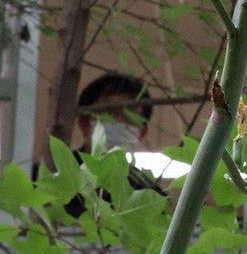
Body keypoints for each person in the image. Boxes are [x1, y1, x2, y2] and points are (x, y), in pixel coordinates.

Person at [35, 72, 165, 218]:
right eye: (109, 111)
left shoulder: (150, 195)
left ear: (142, 131)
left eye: (131, 114)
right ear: (84, 123)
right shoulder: (46, 174)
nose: (119, 121)